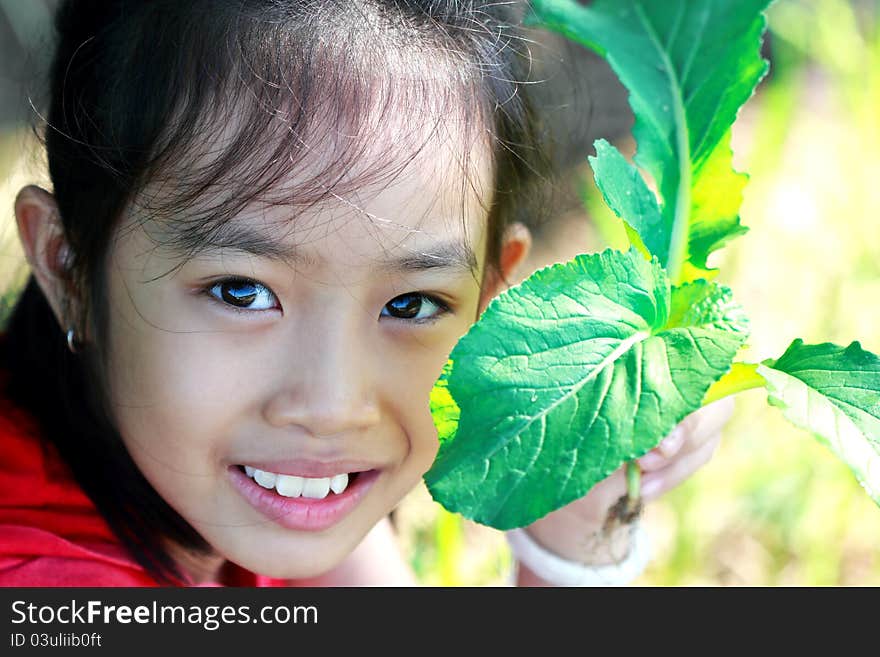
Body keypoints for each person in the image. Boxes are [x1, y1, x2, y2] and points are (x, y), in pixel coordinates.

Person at [0, 0, 733, 587]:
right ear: (68, 264)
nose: (332, 404)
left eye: (411, 304)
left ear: (491, 297)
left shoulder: (246, 492)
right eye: (241, 291)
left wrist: (574, 521)